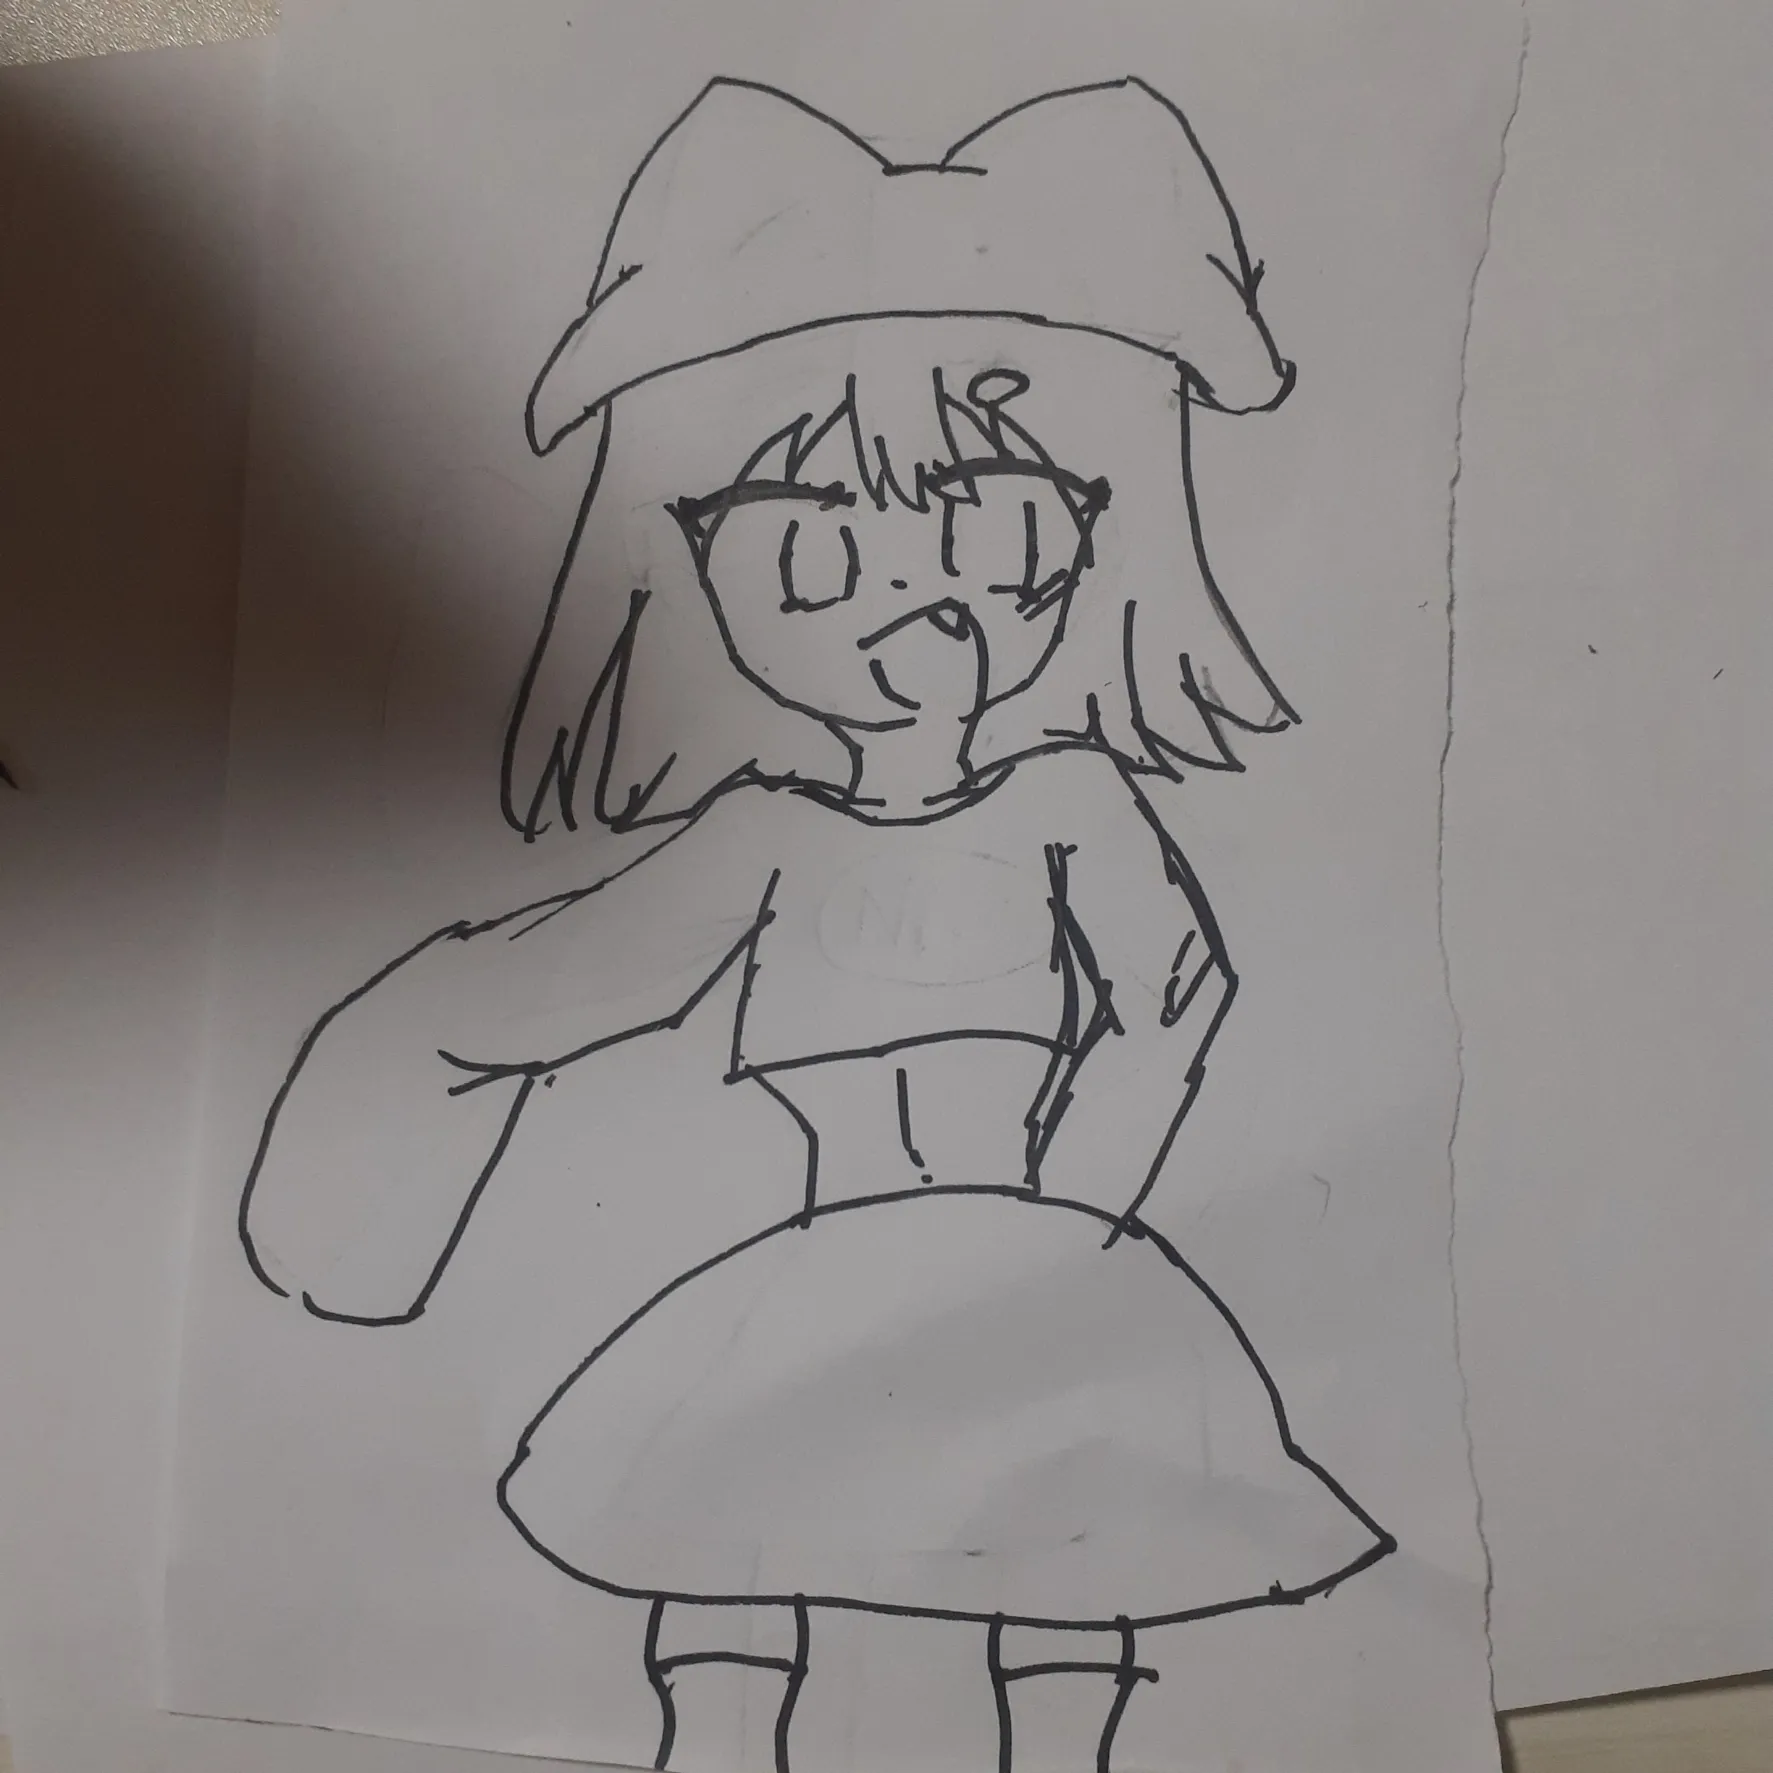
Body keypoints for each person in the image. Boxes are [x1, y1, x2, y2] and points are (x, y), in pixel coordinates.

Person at [240, 77, 1393, 1773]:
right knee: (726, 1532)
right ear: (696, 560)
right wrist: (380, 1119)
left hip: (1037, 1239)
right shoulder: (760, 839)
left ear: (1088, 533)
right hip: (819, 1263)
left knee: (1069, 1548)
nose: (914, 591)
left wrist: (1071, 1211)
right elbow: (547, 987)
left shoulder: (1069, 800)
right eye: (805, 551)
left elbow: (1173, 995)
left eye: (996, 524)